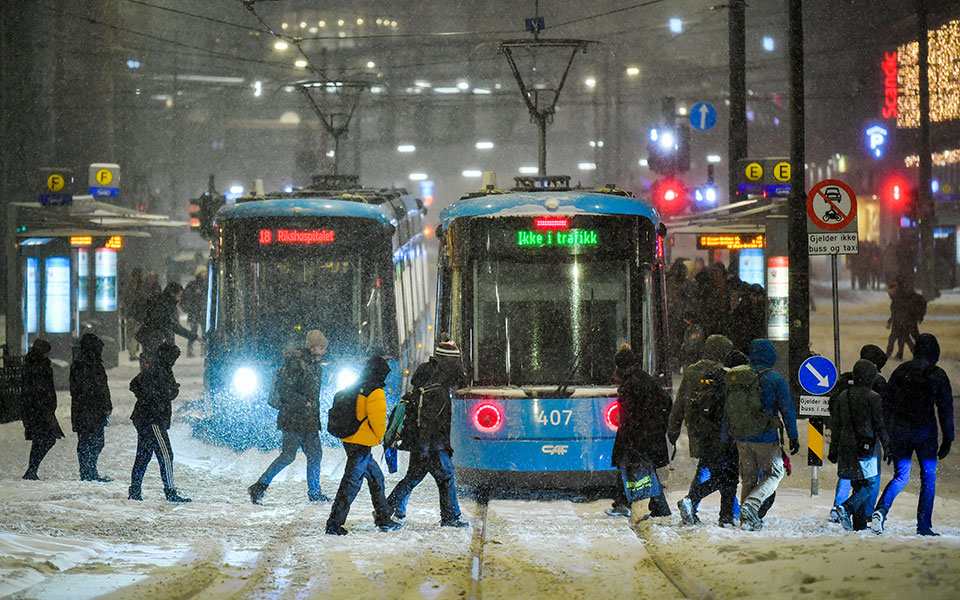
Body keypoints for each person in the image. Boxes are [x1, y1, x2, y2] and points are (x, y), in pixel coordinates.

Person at [872, 333, 953, 536]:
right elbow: (945, 409)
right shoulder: (938, 375)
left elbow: (887, 402)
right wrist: (948, 438)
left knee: (901, 476)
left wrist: (888, 433)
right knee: (928, 477)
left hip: (901, 431)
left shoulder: (901, 371)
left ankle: (880, 511)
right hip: (925, 433)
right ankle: (924, 525)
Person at [387, 335, 470, 527]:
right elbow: (429, 422)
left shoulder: (425, 378)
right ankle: (450, 517)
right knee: (446, 476)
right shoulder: (438, 393)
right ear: (451, 365)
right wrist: (425, 448)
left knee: (413, 476)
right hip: (432, 443)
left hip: (420, 439)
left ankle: (388, 508)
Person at [723, 339, 799, 531]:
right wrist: (794, 436)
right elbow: (787, 409)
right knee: (774, 473)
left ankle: (747, 520)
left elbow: (728, 410)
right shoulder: (774, 378)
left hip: (741, 437)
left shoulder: (738, 377)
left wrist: (726, 437)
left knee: (748, 477)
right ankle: (751, 505)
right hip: (766, 437)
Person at [248, 330, 329, 505]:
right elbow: (286, 391)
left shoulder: (315, 366)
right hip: (293, 419)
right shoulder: (297, 364)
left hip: (309, 420)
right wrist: (304, 403)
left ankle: (315, 492)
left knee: (315, 455)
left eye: (324, 348)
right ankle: (259, 486)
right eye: (320, 347)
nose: (323, 352)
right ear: (312, 347)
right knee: (288, 456)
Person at [326, 356, 404, 535]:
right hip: (361, 443)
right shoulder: (375, 391)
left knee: (377, 478)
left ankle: (383, 518)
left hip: (349, 439)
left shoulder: (354, 386)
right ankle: (334, 524)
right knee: (351, 484)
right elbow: (378, 423)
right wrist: (380, 438)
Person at [669, 334, 737, 526]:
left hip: (698, 430)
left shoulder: (692, 372)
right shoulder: (722, 373)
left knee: (708, 467)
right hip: (718, 431)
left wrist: (673, 429)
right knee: (724, 473)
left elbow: (680, 402)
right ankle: (695, 503)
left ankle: (722, 511)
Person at [607, 346, 672, 520]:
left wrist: (633, 435)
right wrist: (658, 426)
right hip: (647, 435)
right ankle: (655, 506)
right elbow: (665, 402)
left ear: (620, 365)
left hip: (638, 437)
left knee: (631, 467)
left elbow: (630, 415)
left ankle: (625, 504)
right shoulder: (643, 378)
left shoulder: (631, 384)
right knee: (642, 469)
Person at [828, 344, 888, 528]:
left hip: (846, 442)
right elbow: (880, 421)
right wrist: (888, 445)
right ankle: (852, 509)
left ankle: (852, 517)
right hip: (867, 443)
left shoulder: (844, 390)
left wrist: (834, 446)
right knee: (870, 481)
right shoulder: (875, 391)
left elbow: (835, 420)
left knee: (852, 479)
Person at [128, 342, 191, 502]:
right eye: (174, 357)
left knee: (144, 455)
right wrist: (167, 393)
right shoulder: (160, 370)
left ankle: (135, 491)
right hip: (152, 420)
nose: (174, 361)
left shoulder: (157, 367)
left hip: (145, 418)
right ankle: (170, 492)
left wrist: (149, 397)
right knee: (166, 455)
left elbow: (136, 385)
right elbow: (161, 392)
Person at [70, 333, 113, 482]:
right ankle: (88, 471)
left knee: (92, 441)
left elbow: (101, 388)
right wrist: (103, 404)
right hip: (89, 409)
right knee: (90, 441)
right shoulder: (86, 365)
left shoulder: (87, 364)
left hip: (88, 409)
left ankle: (89, 470)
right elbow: (98, 388)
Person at [20, 339, 64, 480]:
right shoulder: (39, 366)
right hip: (40, 409)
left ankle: (32, 469)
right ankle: (32, 469)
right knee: (46, 438)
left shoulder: (33, 364)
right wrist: (46, 404)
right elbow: (41, 389)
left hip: (37, 408)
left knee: (42, 439)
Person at [135, 282, 201, 361]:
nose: (179, 299)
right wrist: (194, 336)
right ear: (172, 294)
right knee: (158, 369)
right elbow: (174, 326)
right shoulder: (166, 306)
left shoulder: (162, 302)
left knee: (151, 368)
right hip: (158, 344)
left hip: (153, 343)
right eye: (179, 296)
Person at [885, 280, 918, 360]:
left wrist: (899, 321)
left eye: (889, 293)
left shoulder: (898, 298)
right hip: (901, 322)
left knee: (900, 339)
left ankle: (890, 354)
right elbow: (895, 312)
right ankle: (901, 354)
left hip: (901, 322)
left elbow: (899, 311)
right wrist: (890, 321)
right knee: (903, 339)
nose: (888, 295)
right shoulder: (897, 298)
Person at [180, 267, 208, 358]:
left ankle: (204, 350)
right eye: (203, 272)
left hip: (203, 313)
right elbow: (185, 298)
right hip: (195, 313)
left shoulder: (207, 284)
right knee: (193, 332)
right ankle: (190, 351)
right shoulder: (193, 285)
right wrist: (190, 308)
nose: (205, 274)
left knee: (205, 333)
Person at [121, 268, 147, 361]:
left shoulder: (130, 285)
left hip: (132, 314)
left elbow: (127, 299)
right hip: (137, 314)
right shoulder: (138, 286)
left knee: (132, 335)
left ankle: (132, 352)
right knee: (135, 335)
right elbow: (140, 299)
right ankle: (132, 353)